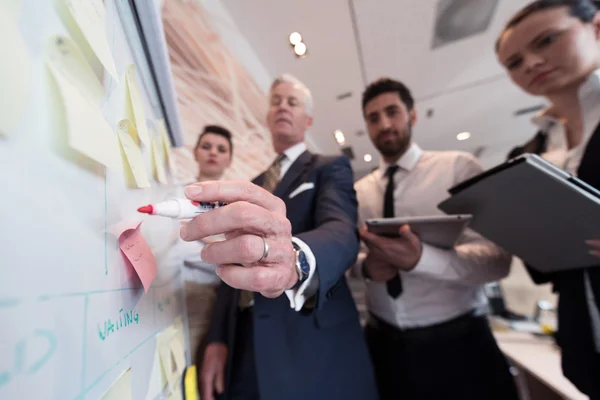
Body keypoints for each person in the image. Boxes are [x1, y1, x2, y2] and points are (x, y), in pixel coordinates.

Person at [186, 74, 378, 400]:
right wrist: (218, 338)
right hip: (244, 342)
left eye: (292, 102)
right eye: (276, 101)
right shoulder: (252, 184)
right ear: (267, 117)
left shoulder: (328, 168)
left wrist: (296, 259)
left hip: (307, 342)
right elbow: (233, 257)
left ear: (308, 119)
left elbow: (341, 232)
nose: (282, 107)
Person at [354, 78, 519, 400]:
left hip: (458, 347)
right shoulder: (358, 192)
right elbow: (353, 261)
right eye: (373, 118)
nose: (384, 124)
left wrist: (421, 260)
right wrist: (366, 269)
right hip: (383, 347)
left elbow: (498, 260)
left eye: (392, 112)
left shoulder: (457, 168)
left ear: (412, 115)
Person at [496, 1, 600, 397]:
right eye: (515, 62)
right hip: (584, 342)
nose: (532, 64)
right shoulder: (529, 155)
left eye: (547, 40)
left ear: (595, 27)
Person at [181, 125, 234, 365]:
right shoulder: (173, 195)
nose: (213, 152)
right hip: (161, 287)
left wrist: (205, 237)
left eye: (221, 149)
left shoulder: (236, 209)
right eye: (206, 146)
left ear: (229, 160)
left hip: (205, 298)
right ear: (195, 152)